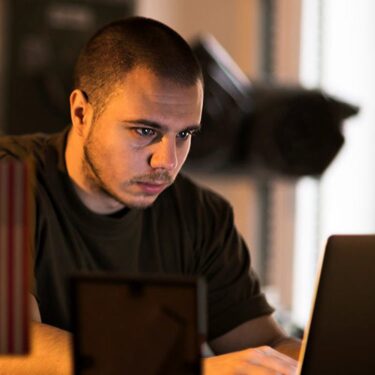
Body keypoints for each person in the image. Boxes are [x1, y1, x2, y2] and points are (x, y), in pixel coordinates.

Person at [0, 16, 300, 374]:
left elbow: (267, 346)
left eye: (185, 134)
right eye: (145, 130)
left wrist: (324, 356)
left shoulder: (201, 216)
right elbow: (14, 347)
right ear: (81, 113)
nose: (167, 161)